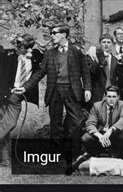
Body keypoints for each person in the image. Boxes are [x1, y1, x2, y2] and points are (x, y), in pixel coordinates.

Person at [15, 25, 91, 160]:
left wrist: (87, 89)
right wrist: (25, 87)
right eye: (51, 33)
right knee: (55, 124)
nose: (52, 35)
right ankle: (57, 156)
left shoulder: (76, 51)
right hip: (55, 90)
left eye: (55, 33)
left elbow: (85, 72)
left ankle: (75, 156)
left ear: (64, 34)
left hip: (73, 90)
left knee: (76, 123)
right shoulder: (50, 53)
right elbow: (40, 72)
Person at [0, 34, 43, 166]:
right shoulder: (10, 55)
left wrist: (37, 50)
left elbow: (48, 56)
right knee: (3, 125)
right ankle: (5, 159)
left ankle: (5, 159)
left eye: (21, 46)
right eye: (17, 45)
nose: (18, 48)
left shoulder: (35, 57)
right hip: (3, 95)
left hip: (17, 97)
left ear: (29, 48)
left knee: (9, 124)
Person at [79, 86, 123, 163]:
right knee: (86, 138)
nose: (111, 99)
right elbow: (90, 123)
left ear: (118, 97)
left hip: (114, 134)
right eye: (109, 96)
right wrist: (99, 136)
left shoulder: (122, 105)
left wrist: (111, 130)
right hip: (100, 133)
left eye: (114, 96)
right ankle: (95, 157)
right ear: (105, 97)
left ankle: (115, 158)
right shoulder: (97, 106)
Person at [87, 33, 119, 104]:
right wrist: (98, 60)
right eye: (104, 42)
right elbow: (91, 72)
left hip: (111, 92)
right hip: (97, 92)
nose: (106, 44)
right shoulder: (92, 56)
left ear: (112, 45)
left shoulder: (114, 59)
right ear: (100, 44)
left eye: (108, 42)